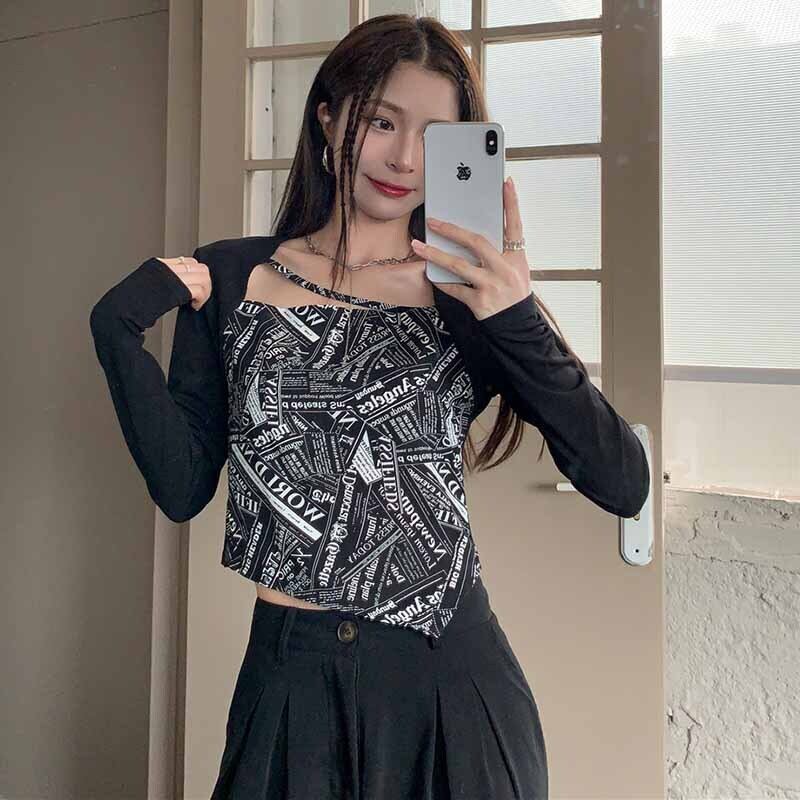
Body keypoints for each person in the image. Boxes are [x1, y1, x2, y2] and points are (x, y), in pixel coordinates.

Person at [89, 13, 650, 799]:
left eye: (434, 137)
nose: (404, 158)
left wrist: (517, 316)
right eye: (382, 122)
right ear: (328, 116)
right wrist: (115, 332)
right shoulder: (235, 279)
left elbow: (623, 481)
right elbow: (182, 487)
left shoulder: (470, 298)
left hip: (449, 691)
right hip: (289, 683)